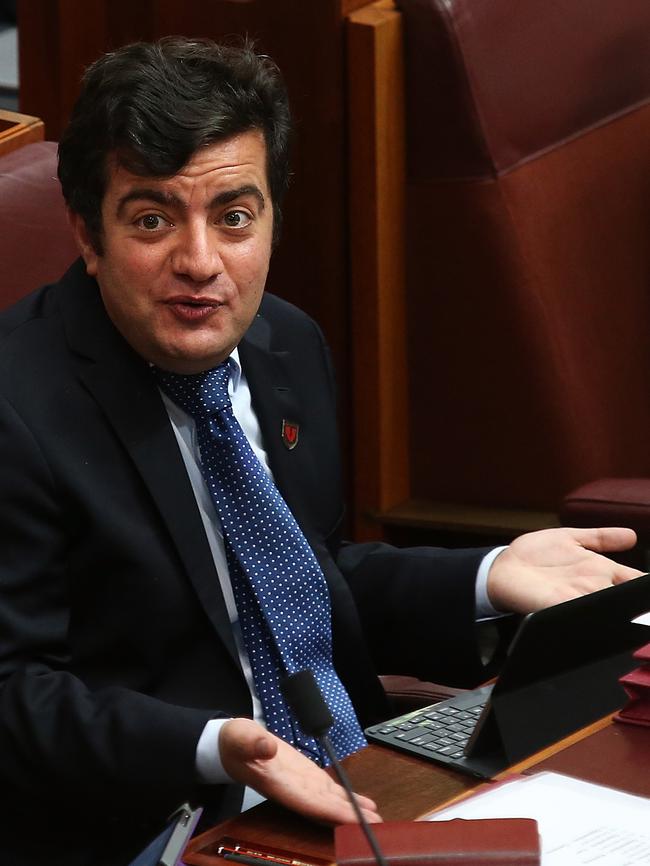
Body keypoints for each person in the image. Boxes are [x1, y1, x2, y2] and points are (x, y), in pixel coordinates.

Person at [0, 37, 641, 866]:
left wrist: (486, 576)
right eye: (153, 219)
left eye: (233, 217)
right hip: (163, 822)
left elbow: (303, 576)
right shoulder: (18, 405)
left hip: (354, 780)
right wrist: (211, 744)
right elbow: (13, 693)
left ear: (270, 219)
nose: (200, 263)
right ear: (88, 235)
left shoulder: (285, 344)